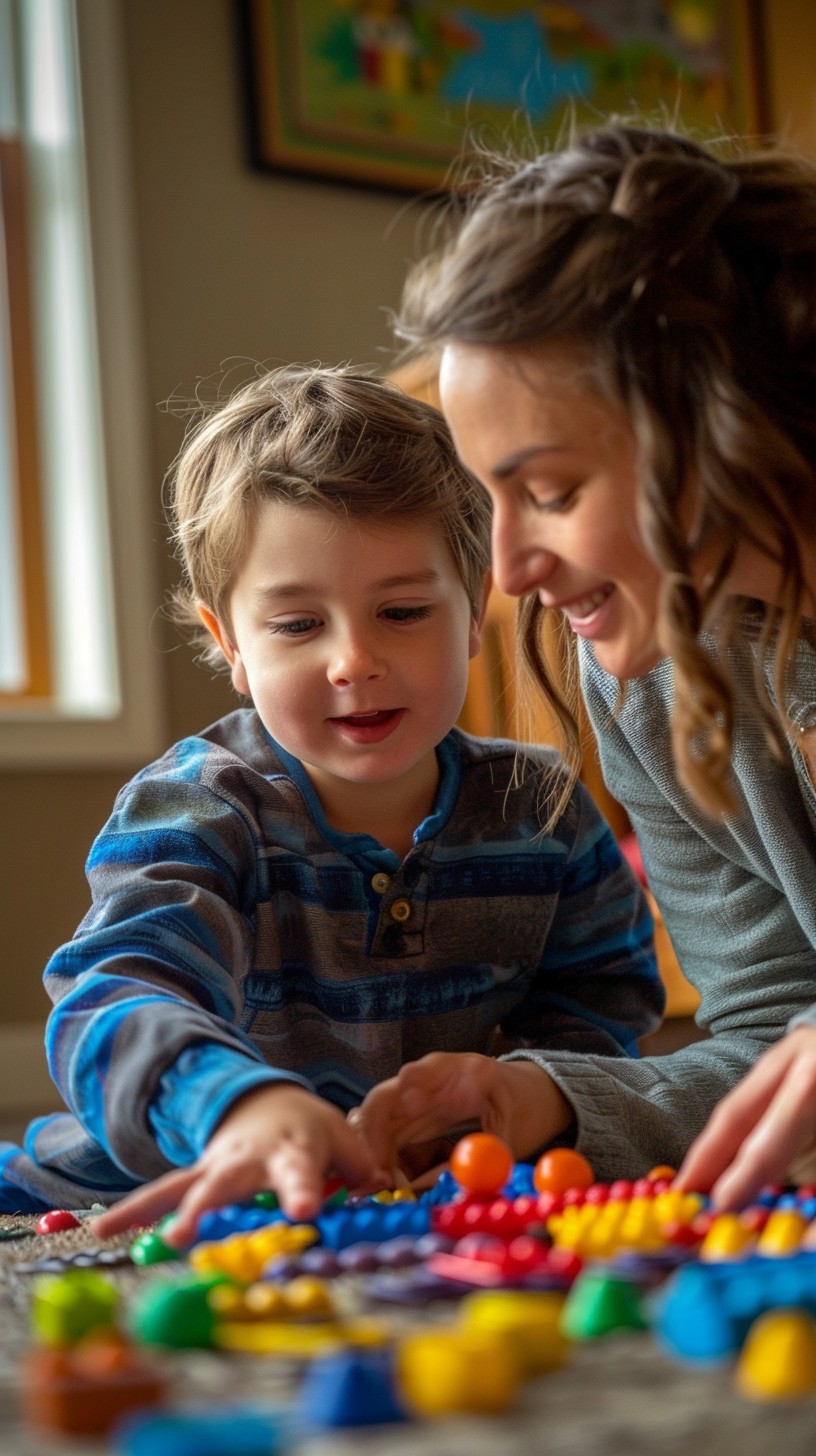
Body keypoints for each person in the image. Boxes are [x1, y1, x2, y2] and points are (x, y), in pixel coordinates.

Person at [0, 363, 660, 1243]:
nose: (353, 660)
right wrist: (241, 1108)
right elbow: (116, 993)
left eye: (401, 611)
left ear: (471, 616)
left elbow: (599, 1011)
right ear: (229, 644)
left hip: (406, 1200)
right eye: (300, 625)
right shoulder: (197, 808)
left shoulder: (542, 810)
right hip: (141, 1183)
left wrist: (518, 1106)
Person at [352, 124, 816, 1211]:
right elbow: (772, 1027)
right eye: (490, 501)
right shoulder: (647, 686)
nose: (507, 565)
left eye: (551, 491)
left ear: (722, 429)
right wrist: (552, 1101)